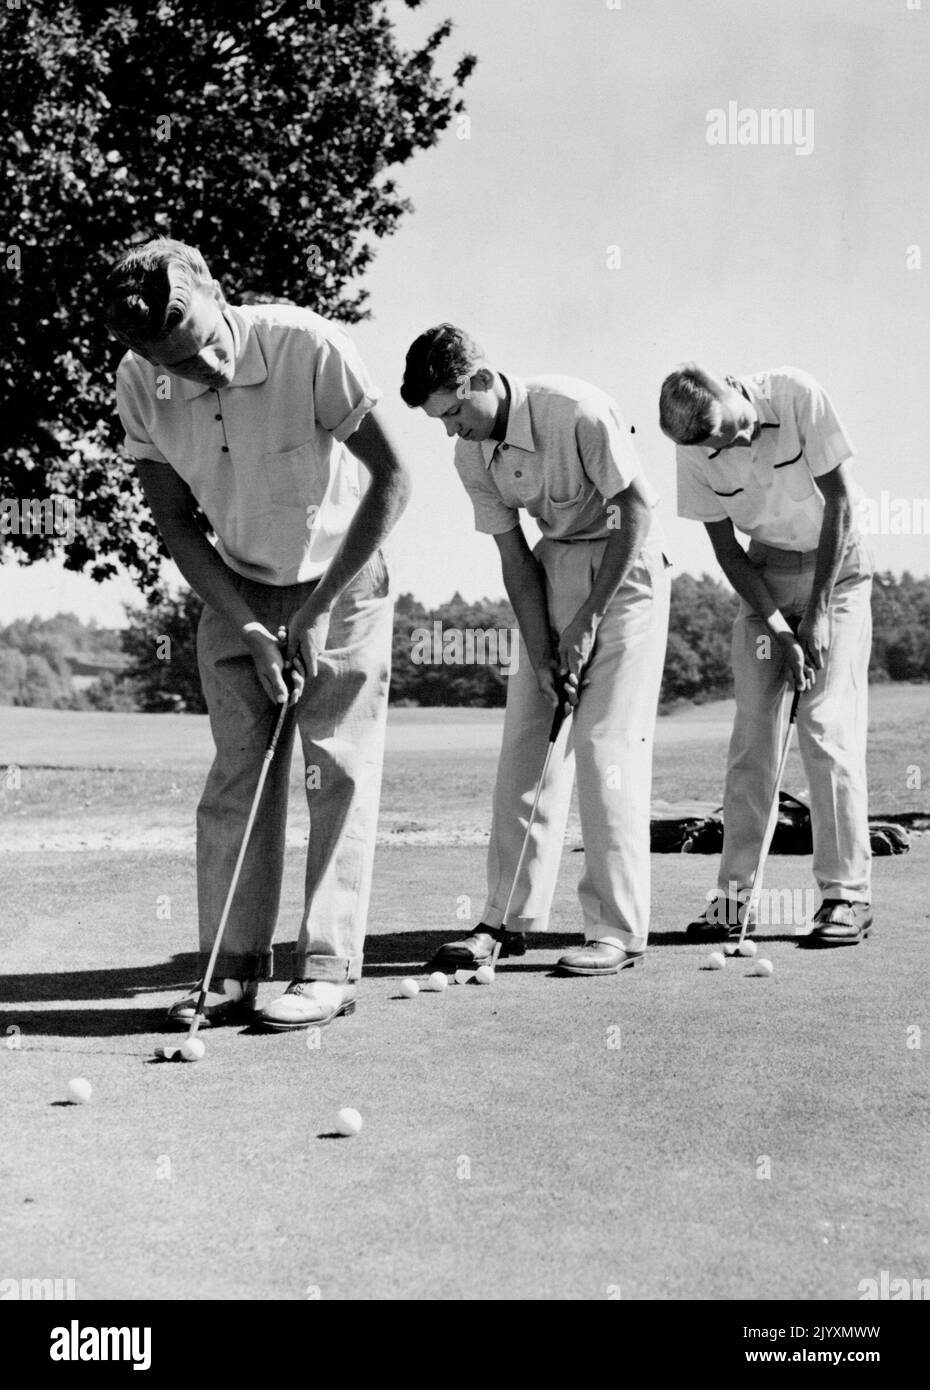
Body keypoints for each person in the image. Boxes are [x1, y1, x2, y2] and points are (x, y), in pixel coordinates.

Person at [106, 237, 410, 1029]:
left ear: (214, 288)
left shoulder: (305, 343)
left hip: (341, 578)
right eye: (177, 361)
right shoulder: (140, 381)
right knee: (238, 776)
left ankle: (328, 968)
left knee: (335, 772)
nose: (198, 367)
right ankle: (232, 969)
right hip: (233, 586)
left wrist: (311, 617)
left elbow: (395, 476)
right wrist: (243, 618)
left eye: (204, 345)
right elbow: (175, 521)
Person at [401, 325, 671, 975]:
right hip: (549, 573)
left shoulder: (576, 410)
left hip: (625, 572)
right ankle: (504, 918)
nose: (452, 431)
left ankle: (615, 929)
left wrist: (586, 624)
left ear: (480, 381)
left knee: (604, 747)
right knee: (526, 740)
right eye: (440, 422)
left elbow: (635, 512)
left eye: (455, 413)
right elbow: (514, 558)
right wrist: (544, 646)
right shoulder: (471, 456)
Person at [660, 363, 873, 946]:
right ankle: (734, 902)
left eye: (728, 432)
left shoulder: (799, 393)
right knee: (754, 736)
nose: (726, 447)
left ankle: (845, 896)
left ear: (731, 388)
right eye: (712, 445)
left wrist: (821, 612)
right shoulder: (693, 446)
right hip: (766, 577)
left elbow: (841, 505)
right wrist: (781, 630)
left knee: (825, 728)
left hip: (840, 574)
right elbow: (727, 550)